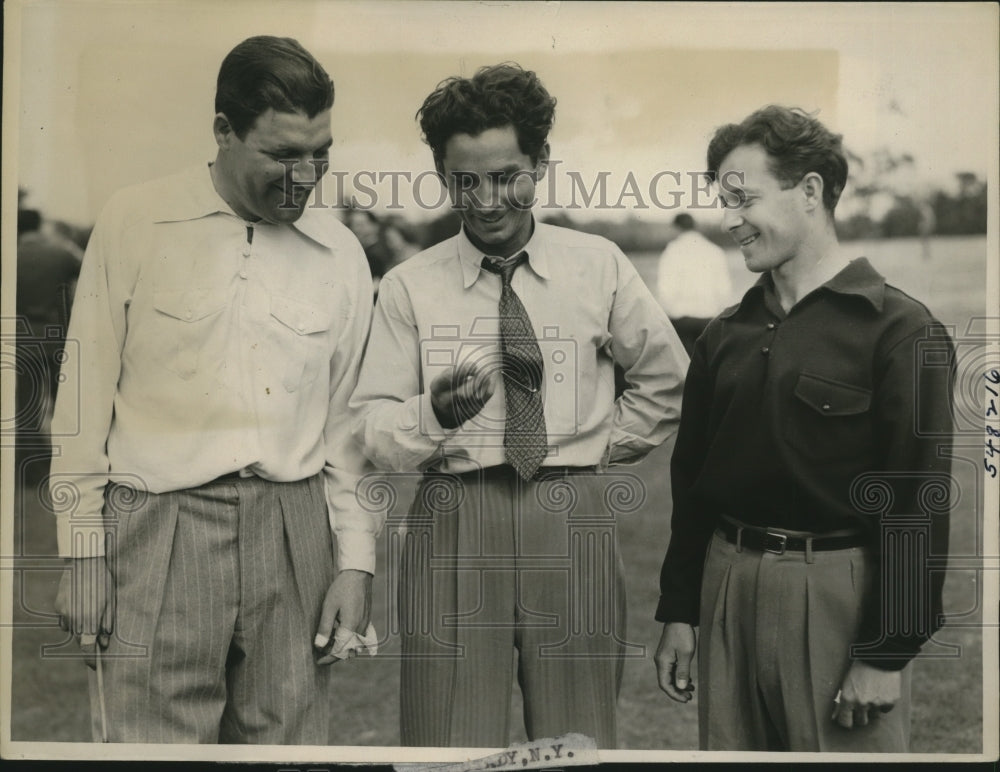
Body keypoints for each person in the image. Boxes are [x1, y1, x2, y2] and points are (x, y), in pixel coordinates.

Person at [50, 35, 382, 744]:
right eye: (282, 154)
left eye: (321, 152)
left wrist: (355, 564)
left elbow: (348, 434)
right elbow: (81, 405)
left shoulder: (341, 252)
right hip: (158, 529)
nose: (305, 175)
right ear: (223, 131)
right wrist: (81, 550)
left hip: (296, 535)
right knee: (150, 751)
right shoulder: (136, 221)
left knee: (290, 753)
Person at [349, 63, 688, 748]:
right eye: (464, 180)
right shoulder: (409, 286)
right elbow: (374, 433)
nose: (487, 199)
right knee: (448, 742)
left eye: (508, 175)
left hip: (570, 513)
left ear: (541, 162)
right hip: (453, 513)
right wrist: (434, 416)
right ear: (443, 176)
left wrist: (592, 450)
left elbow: (665, 378)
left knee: (576, 736)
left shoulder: (598, 264)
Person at [653, 106, 953, 752]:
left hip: (838, 596)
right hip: (727, 586)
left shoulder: (900, 330)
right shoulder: (722, 336)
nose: (729, 219)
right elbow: (691, 487)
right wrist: (680, 609)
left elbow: (917, 503)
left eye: (743, 198)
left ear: (810, 191)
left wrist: (885, 651)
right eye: (721, 200)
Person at [655, 212, 733, 355]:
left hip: (681, 319)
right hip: (709, 318)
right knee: (707, 367)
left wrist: (667, 315)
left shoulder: (672, 251)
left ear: (676, 228)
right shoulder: (714, 250)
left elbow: (665, 288)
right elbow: (724, 289)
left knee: (686, 367)